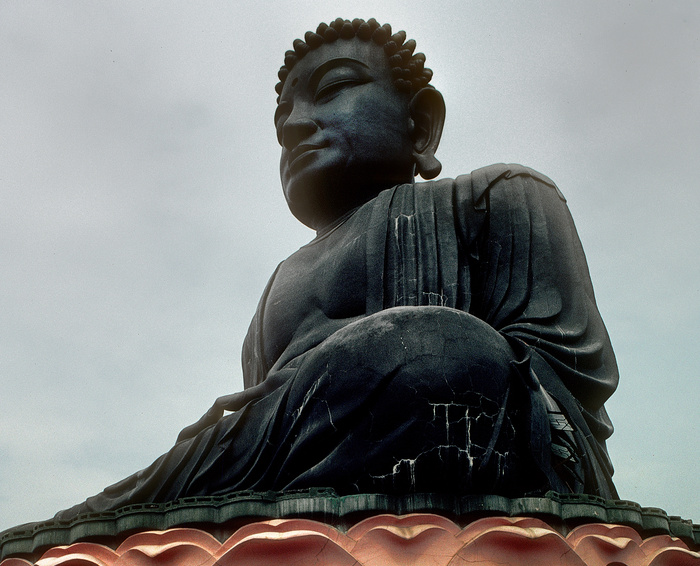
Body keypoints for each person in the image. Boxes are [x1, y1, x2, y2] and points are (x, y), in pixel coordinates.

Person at [50, 17, 618, 527]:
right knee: (200, 449)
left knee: (444, 348)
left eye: (334, 90)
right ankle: (126, 511)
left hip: (458, 422)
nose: (296, 126)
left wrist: (405, 358)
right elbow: (264, 427)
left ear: (420, 126)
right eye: (281, 125)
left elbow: (565, 377)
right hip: (288, 469)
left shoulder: (498, 196)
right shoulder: (280, 281)